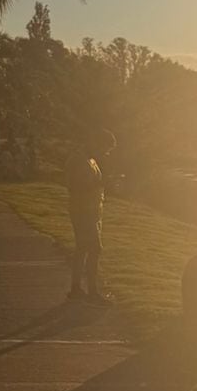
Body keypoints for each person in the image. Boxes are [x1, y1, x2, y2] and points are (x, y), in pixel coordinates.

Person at [65, 129, 116, 301]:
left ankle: (77, 288)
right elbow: (76, 186)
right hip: (83, 211)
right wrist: (102, 183)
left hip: (90, 210)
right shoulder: (80, 161)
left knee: (82, 248)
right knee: (94, 248)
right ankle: (92, 291)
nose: (106, 153)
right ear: (97, 143)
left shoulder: (90, 160)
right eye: (105, 149)